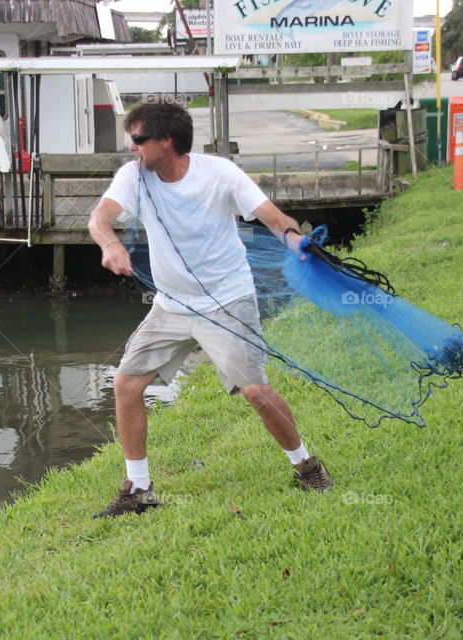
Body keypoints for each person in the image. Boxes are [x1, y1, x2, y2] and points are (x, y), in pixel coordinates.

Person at [87, 102, 334, 519]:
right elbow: (100, 218)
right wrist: (109, 244)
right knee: (126, 384)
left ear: (167, 142)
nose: (132, 147)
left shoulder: (220, 174)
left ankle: (306, 466)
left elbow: (274, 219)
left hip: (227, 300)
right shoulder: (134, 176)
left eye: (139, 139)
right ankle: (139, 490)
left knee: (255, 391)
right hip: (172, 303)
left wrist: (297, 243)